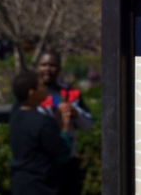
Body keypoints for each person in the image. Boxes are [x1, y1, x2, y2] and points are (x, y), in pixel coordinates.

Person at [36, 50, 94, 195]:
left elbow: (88, 125)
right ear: (37, 67)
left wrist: (74, 113)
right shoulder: (30, 93)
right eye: (43, 65)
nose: (47, 69)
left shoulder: (71, 93)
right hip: (39, 164)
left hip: (65, 163)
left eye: (52, 65)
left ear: (59, 68)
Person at [9, 70, 73, 195]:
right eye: (41, 86)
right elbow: (62, 153)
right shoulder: (42, 122)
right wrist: (64, 126)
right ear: (32, 93)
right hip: (41, 185)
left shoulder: (15, 114)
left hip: (19, 183)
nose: (45, 89)